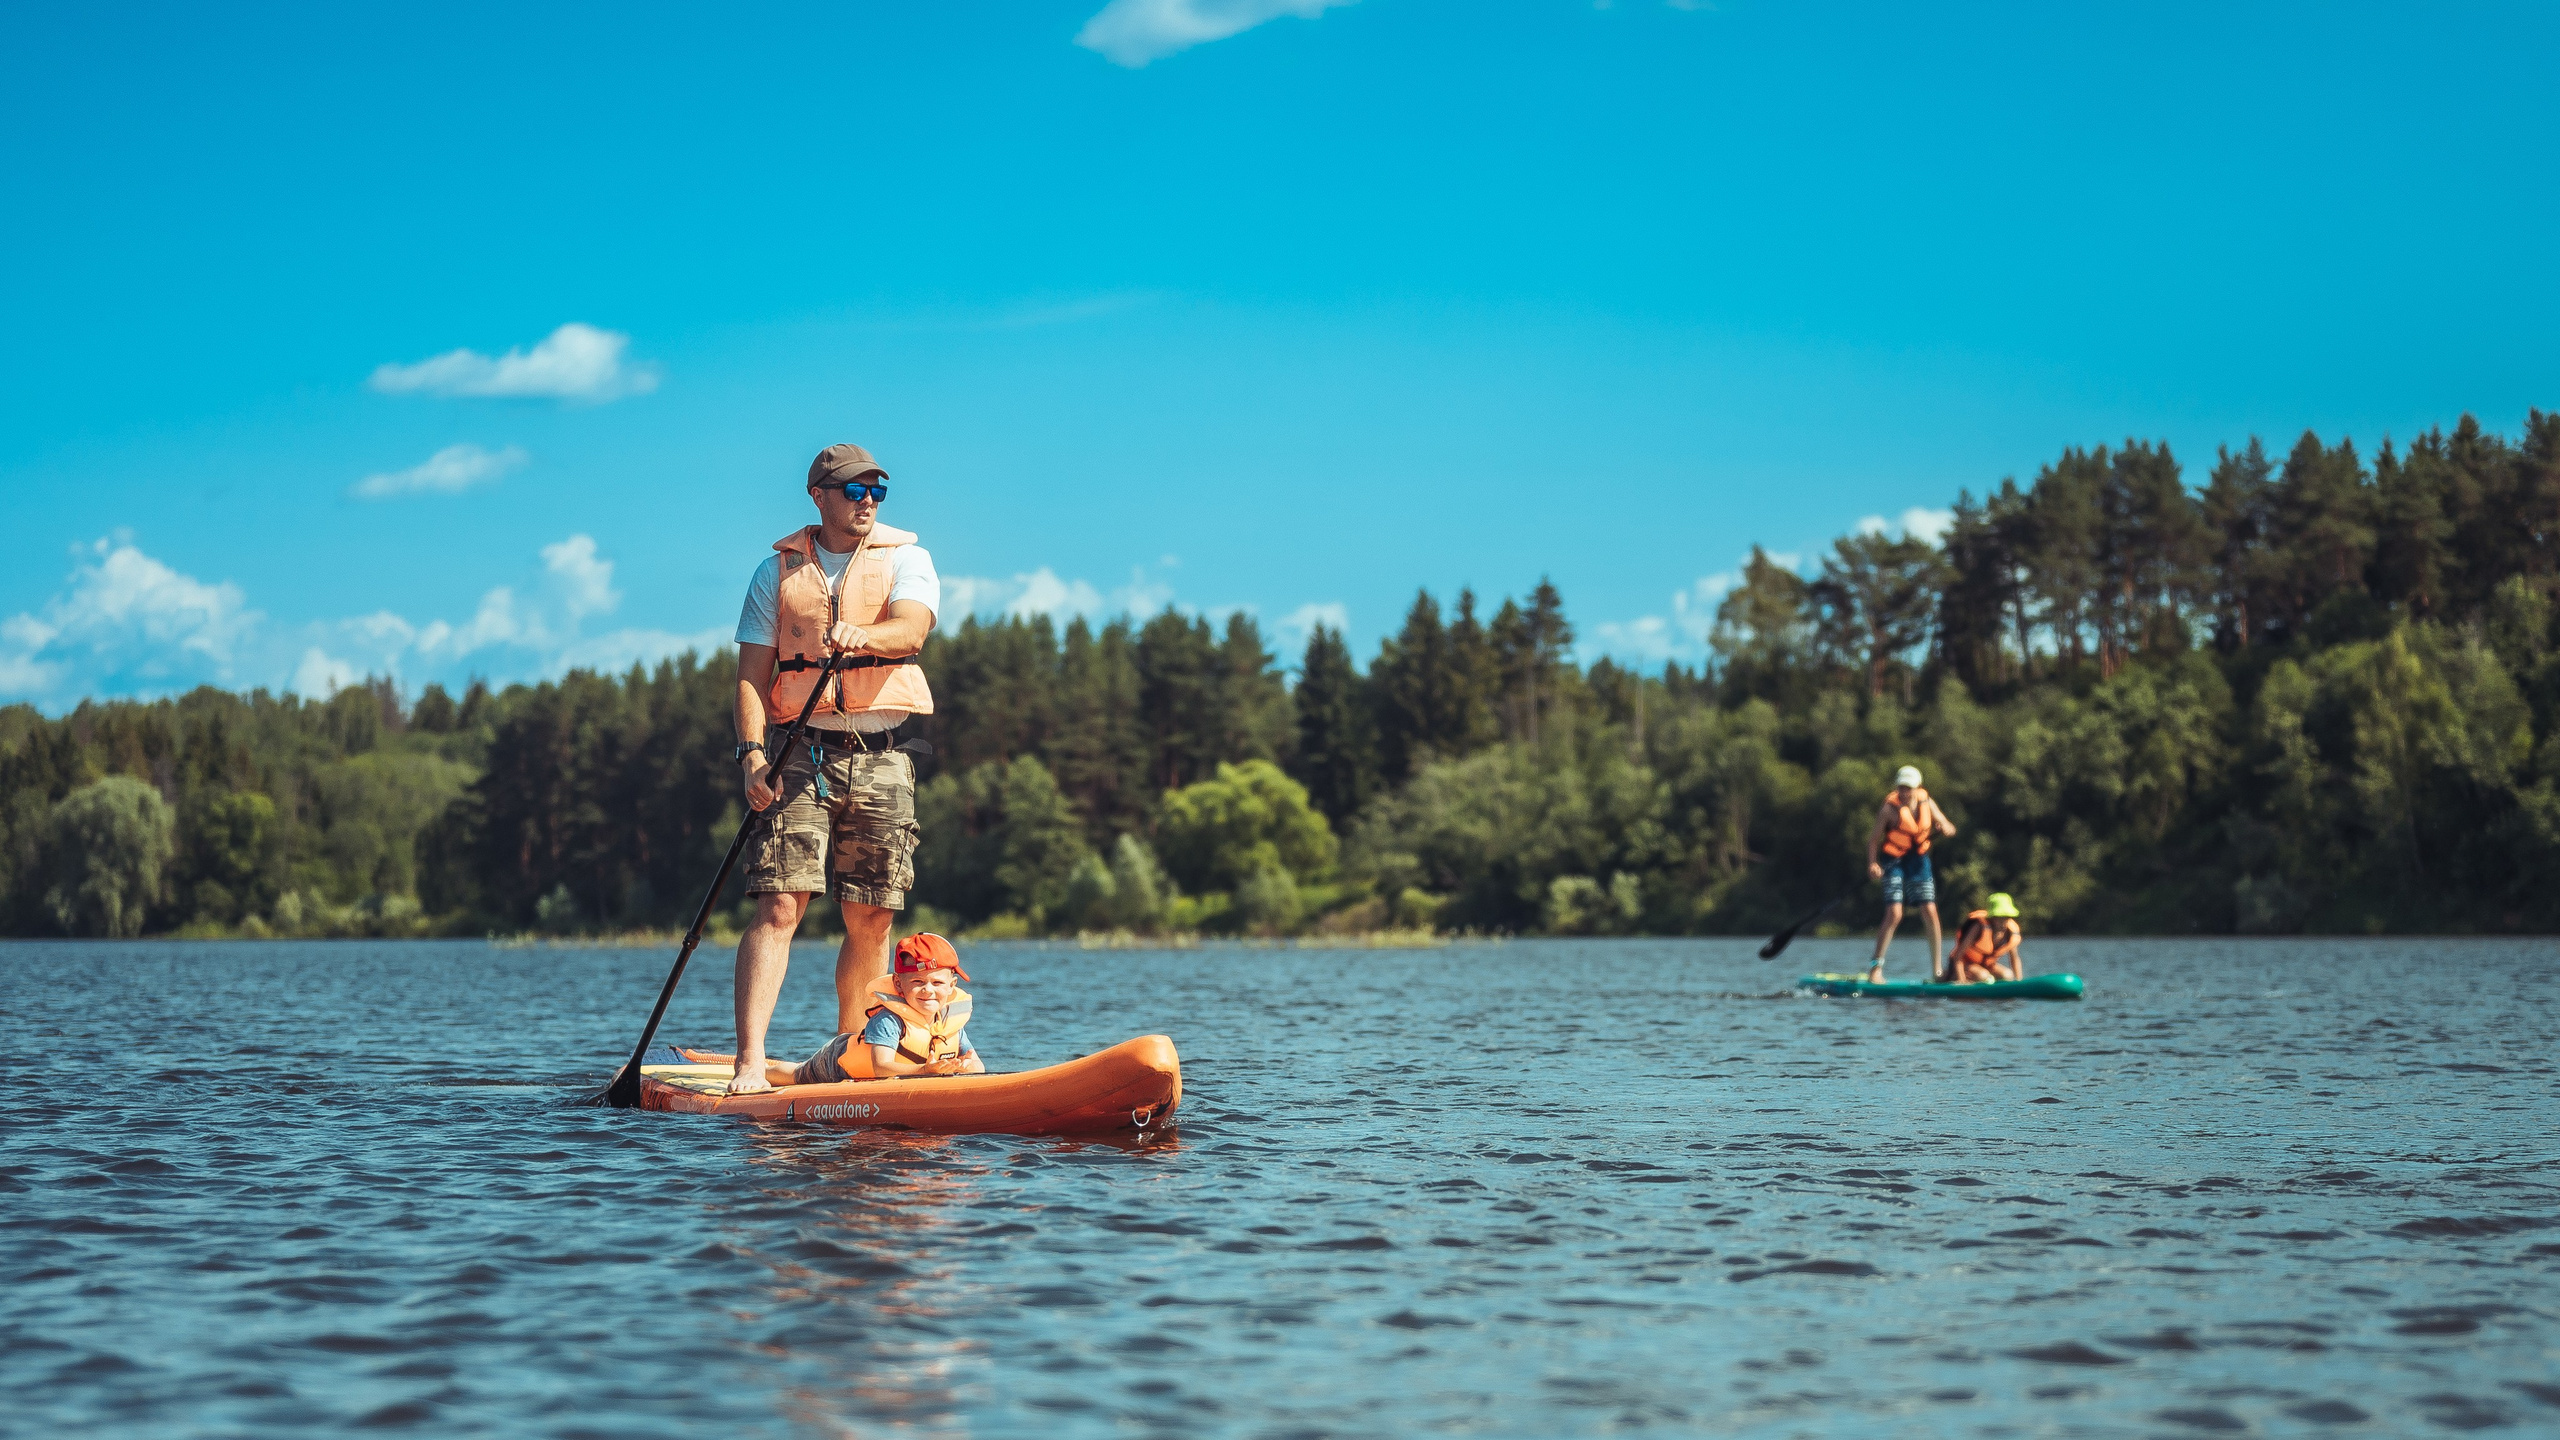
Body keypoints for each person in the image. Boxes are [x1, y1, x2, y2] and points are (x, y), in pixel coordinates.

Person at [725, 442, 940, 1096]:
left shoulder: (908, 558)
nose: (867, 500)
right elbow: (751, 677)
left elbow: (911, 630)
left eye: (876, 489)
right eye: (853, 490)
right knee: (779, 904)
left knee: (872, 915)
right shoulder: (775, 574)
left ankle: (855, 1058)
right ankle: (749, 1065)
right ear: (819, 495)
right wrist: (752, 755)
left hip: (882, 755)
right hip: (798, 754)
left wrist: (864, 636)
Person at [788, 932, 986, 1084]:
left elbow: (978, 1065)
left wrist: (965, 1066)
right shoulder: (888, 1020)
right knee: (798, 1075)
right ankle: (770, 1071)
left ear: (951, 986)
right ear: (898, 984)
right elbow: (881, 1068)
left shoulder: (951, 1023)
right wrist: (924, 1071)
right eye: (917, 982)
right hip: (837, 1061)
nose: (928, 990)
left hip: (915, 1073)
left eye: (937, 983)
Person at [1862, 765, 1957, 983]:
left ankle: (1937, 970)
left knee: (1930, 910)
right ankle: (1875, 969)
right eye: (1901, 788)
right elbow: (1873, 840)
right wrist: (1872, 864)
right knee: (1895, 913)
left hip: (1919, 861)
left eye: (1909, 788)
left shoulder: (1926, 802)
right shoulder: (1889, 809)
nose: (1904, 792)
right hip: (1893, 861)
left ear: (1918, 788)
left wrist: (1946, 828)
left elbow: (1948, 826)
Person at [1947, 893, 2024, 984]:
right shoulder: (1978, 927)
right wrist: (1962, 981)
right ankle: (1948, 977)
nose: (2003, 922)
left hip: (1986, 967)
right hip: (1963, 965)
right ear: (1992, 917)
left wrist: (2019, 983)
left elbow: (2014, 959)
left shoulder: (2010, 932)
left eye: (2006, 918)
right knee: (1983, 976)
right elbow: (1958, 957)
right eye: (1999, 918)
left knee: (2008, 975)